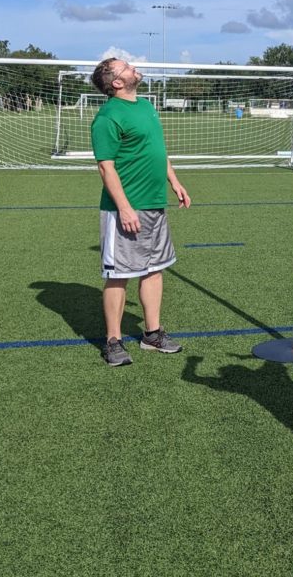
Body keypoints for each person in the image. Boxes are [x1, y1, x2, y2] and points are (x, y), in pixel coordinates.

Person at [90, 57, 191, 366]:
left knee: (154, 268)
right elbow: (106, 168)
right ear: (117, 83)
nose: (133, 67)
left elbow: (157, 149)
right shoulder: (107, 117)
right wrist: (124, 208)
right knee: (119, 276)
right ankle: (114, 341)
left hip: (154, 204)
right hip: (125, 209)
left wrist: (174, 181)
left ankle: (152, 333)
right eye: (126, 66)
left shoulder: (146, 106)